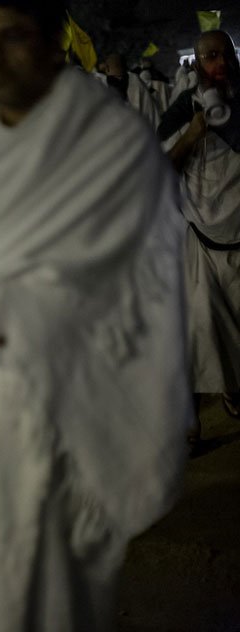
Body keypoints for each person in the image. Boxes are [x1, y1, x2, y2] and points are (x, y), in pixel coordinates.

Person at [0, 2, 191, 630]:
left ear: (54, 45)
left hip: (67, 402)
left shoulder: (111, 143)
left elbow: (152, 292)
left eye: (13, 38)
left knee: (46, 587)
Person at [160, 30, 240, 429]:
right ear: (197, 63)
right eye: (210, 55)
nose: (219, 62)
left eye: (225, 54)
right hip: (199, 241)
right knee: (200, 329)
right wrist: (192, 134)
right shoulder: (181, 111)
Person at [103, 53, 160, 128]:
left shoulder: (101, 85)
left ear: (107, 68)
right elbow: (150, 108)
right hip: (143, 131)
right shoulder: (136, 80)